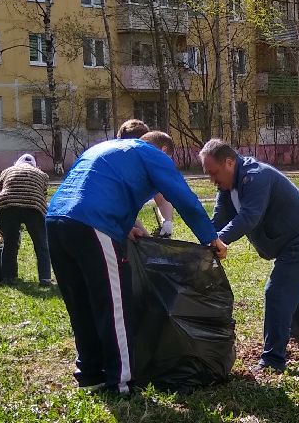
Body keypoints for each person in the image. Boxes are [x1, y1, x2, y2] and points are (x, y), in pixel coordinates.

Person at [47, 131, 224, 395]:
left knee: (80, 303)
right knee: (114, 304)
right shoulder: (152, 154)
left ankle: (90, 375)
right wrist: (210, 237)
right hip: (94, 224)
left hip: (56, 221)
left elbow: (97, 188)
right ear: (164, 150)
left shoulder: (106, 148)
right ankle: (121, 382)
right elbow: (182, 195)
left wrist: (125, 224)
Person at [201, 139, 299, 372]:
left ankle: (273, 360)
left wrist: (221, 240)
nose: (212, 180)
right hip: (286, 240)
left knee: (277, 291)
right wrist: (204, 243)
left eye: (214, 173)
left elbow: (249, 217)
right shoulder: (227, 187)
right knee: (290, 284)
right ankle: (298, 335)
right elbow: (219, 219)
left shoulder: (256, 176)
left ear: (229, 162)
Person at [0, 153, 52, 285]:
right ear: (35, 166)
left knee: (10, 244)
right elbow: (43, 196)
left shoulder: (7, 171)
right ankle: (45, 278)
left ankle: (8, 277)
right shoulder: (42, 175)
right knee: (41, 244)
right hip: (34, 206)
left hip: (8, 206)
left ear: (17, 163)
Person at [117, 118, 176, 236]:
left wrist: (167, 221)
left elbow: (162, 198)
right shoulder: (122, 168)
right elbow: (122, 214)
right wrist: (147, 239)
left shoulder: (145, 166)